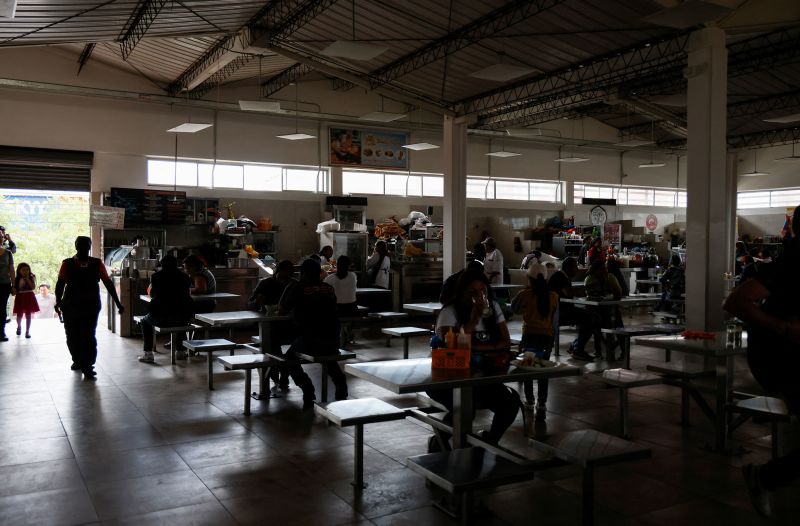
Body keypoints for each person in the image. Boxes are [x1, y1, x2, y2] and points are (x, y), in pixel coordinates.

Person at [723, 206, 800, 519]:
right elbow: (735, 301)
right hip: (780, 359)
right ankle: (765, 477)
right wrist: (782, 328)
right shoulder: (793, 263)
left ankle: (768, 477)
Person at [427, 270, 520, 447]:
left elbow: (505, 342)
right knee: (465, 407)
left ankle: (490, 441)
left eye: (483, 291)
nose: (479, 297)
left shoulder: (493, 308)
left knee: (510, 403)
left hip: (482, 376)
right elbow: (452, 348)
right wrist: (472, 320)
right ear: (462, 293)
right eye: (472, 292)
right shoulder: (449, 312)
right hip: (448, 378)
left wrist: (475, 347)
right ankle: (440, 436)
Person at [279, 259, 348, 409]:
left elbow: (282, 309)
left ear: (302, 273)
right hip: (334, 339)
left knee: (289, 357)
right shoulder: (329, 288)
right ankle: (340, 383)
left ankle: (306, 386)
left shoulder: (298, 287)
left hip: (310, 339)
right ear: (319, 273)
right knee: (327, 355)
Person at [55, 236, 124, 379]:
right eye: (81, 245)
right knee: (72, 336)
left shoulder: (97, 263)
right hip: (70, 305)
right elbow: (60, 284)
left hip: (90, 306)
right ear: (76, 246)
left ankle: (87, 365)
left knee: (88, 336)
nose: (83, 248)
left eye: (86, 245)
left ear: (90, 247)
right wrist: (58, 302)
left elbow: (108, 283)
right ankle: (77, 360)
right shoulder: (67, 264)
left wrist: (118, 302)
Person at [511, 261, 559, 421]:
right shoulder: (553, 296)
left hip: (529, 335)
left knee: (528, 368)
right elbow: (554, 321)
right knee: (543, 369)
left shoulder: (525, 294)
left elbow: (514, 309)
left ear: (529, 279)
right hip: (546, 337)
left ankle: (530, 400)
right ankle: (542, 403)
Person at [247, 259, 296, 393]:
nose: (282, 281)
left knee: (275, 344)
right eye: (281, 276)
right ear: (276, 273)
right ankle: (281, 370)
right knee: (272, 342)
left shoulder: (294, 285)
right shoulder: (265, 283)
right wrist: (257, 301)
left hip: (289, 326)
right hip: (270, 326)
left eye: (286, 278)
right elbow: (250, 304)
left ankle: (280, 369)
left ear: (291, 275)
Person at [137, 255, 194, 364]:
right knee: (180, 317)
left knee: (145, 321)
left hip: (161, 318)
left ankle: (148, 354)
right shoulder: (185, 277)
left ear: (162, 265)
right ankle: (180, 351)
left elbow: (153, 295)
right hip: (183, 317)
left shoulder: (156, 276)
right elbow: (187, 295)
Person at [549, 257, 593, 360]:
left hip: (559, 311)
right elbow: (568, 292)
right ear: (567, 267)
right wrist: (588, 287)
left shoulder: (561, 276)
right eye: (575, 267)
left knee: (591, 315)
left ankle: (576, 346)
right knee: (589, 317)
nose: (577, 270)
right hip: (560, 313)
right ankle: (578, 349)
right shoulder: (560, 277)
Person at [576, 261, 622, 361]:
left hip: (608, 308)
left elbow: (618, 293)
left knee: (616, 321)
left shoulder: (610, 277)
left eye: (605, 268)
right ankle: (601, 348)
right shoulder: (590, 278)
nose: (605, 270)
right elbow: (593, 294)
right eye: (602, 269)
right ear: (596, 271)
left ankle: (620, 349)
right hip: (594, 309)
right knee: (596, 321)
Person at [12, 262, 39, 338]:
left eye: (27, 269)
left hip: (29, 296)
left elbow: (33, 287)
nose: (25, 271)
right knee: (19, 314)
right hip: (20, 297)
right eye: (23, 270)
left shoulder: (31, 277)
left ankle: (27, 331)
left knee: (28, 314)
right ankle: (19, 326)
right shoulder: (16, 279)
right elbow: (17, 289)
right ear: (19, 271)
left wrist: (27, 279)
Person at [0, 242, 13, 342]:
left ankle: (1, 332)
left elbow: (11, 269)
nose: (1, 237)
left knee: (2, 308)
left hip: (4, 284)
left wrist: (14, 285)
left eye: (1, 236)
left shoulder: (8, 253)